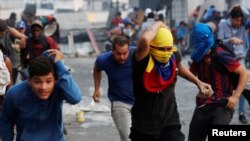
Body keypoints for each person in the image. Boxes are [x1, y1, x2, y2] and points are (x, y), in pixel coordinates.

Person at [129, 21, 213, 141]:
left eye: (168, 49)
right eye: (161, 49)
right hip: (143, 127)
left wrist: (198, 82)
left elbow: (177, 65)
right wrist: (159, 23)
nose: (166, 53)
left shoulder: (173, 55)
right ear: (152, 47)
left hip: (170, 123)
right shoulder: (142, 59)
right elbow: (144, 40)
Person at [0, 49, 82, 141]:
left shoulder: (58, 88)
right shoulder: (15, 93)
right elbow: (6, 123)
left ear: (55, 80)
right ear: (29, 80)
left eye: (48, 81)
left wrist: (59, 64)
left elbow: (75, 98)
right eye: (37, 81)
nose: (43, 87)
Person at [188, 23, 249, 141]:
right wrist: (198, 84)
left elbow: (244, 73)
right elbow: (191, 75)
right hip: (203, 104)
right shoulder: (197, 56)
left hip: (221, 105)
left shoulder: (220, 54)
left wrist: (235, 97)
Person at [92, 36, 134, 141]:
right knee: (127, 137)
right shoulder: (104, 60)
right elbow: (97, 69)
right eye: (118, 53)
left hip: (141, 102)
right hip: (120, 102)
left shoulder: (136, 54)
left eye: (125, 53)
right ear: (112, 51)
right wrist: (97, 89)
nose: (122, 57)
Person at [217, 5, 249, 124]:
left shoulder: (242, 26)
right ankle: (225, 115)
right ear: (231, 18)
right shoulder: (223, 24)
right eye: (236, 20)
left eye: (240, 20)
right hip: (227, 61)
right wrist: (231, 40)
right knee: (227, 87)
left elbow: (245, 45)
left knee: (244, 86)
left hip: (240, 60)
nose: (238, 22)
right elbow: (219, 42)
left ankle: (241, 113)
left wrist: (239, 7)